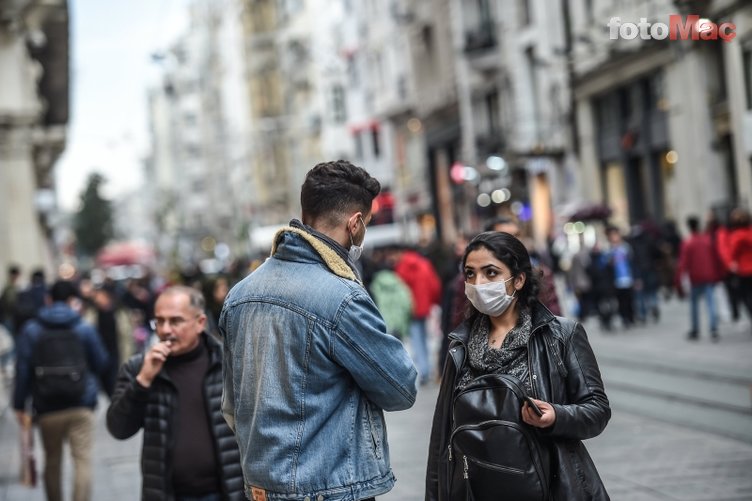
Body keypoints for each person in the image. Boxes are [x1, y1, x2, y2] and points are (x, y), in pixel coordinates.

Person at [220, 160, 418, 501]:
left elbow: (231, 405)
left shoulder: (239, 295)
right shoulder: (341, 297)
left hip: (261, 488)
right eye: (366, 224)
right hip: (328, 488)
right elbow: (401, 387)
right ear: (355, 223)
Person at [426, 232, 611, 500]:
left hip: (549, 486)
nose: (478, 283)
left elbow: (597, 410)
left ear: (519, 280)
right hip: (477, 489)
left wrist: (556, 416)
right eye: (470, 274)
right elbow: (441, 441)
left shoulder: (561, 334)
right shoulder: (460, 347)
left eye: (491, 273)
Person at [106, 286, 245, 501]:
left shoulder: (229, 363)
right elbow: (119, 429)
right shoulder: (138, 368)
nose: (165, 330)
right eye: (159, 321)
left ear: (200, 323)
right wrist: (143, 381)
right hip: (168, 493)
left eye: (175, 321)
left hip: (226, 492)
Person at [13, 280, 109, 501]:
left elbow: (23, 370)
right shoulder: (83, 326)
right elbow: (102, 361)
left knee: (52, 460)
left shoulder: (31, 330)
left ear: (48, 299)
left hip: (47, 406)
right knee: (82, 459)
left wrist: (19, 404)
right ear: (72, 300)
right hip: (81, 403)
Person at [393, 245, 443, 385]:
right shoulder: (425, 264)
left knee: (417, 340)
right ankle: (430, 369)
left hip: (412, 310)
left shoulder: (402, 267)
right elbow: (435, 285)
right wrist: (433, 301)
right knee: (427, 339)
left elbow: (401, 292)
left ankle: (424, 372)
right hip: (425, 307)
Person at [676, 216, 724, 341]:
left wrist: (678, 281)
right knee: (711, 302)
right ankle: (713, 328)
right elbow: (716, 258)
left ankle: (695, 329)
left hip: (695, 278)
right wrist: (718, 274)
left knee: (694, 305)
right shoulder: (707, 240)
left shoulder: (688, 243)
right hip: (709, 276)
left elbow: (683, 263)